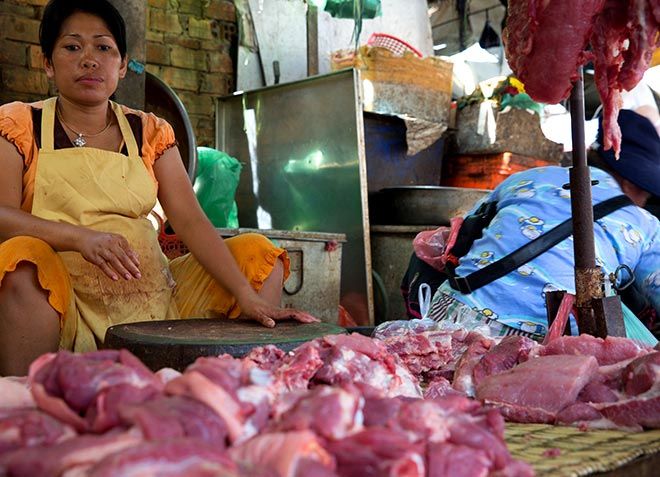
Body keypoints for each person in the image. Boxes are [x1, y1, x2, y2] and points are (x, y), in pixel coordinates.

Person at [0, 0, 317, 376]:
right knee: (21, 258)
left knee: (255, 254)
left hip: (157, 301)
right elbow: (3, 217)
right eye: (72, 47)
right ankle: (23, 402)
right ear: (47, 64)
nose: (89, 59)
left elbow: (190, 221)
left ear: (121, 65)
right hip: (61, 305)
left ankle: (237, 395)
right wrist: (79, 238)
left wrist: (246, 296)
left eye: (104, 47)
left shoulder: (150, 131)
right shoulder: (20, 124)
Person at [426, 107, 660, 340]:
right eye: (646, 195)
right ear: (634, 184)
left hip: (449, 310)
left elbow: (464, 233)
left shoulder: (530, 177)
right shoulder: (645, 224)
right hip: (535, 337)